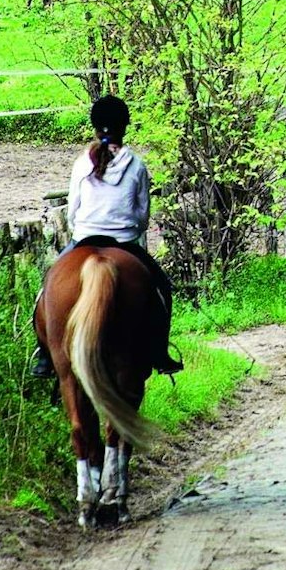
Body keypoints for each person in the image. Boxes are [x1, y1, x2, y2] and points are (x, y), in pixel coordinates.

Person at [30, 95, 185, 379]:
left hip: (84, 238)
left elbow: (73, 211)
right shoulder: (137, 166)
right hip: (125, 243)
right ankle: (160, 353)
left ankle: (45, 355)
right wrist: (127, 228)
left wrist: (84, 227)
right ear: (125, 127)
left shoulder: (81, 164)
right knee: (162, 289)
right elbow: (141, 217)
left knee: (47, 288)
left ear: (94, 127)